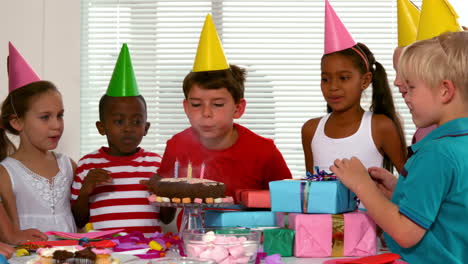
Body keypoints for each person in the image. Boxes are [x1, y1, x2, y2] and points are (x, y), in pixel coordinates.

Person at [331, 31, 468, 264]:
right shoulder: (459, 144)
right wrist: (399, 191)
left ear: (445, 90)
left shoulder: (437, 153)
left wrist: (363, 186)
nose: (404, 94)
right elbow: (448, 208)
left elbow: (406, 234)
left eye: (411, 88)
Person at [157, 14, 292, 198]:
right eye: (196, 104)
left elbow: (287, 202)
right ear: (186, 107)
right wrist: (158, 187)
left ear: (238, 109)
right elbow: (165, 207)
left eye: (218, 104)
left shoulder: (264, 152)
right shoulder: (176, 146)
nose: (206, 113)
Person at [302, 0, 407, 177]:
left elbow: (410, 183)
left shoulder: (380, 127)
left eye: (344, 78)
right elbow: (311, 188)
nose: (333, 87)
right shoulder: (310, 130)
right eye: (325, 79)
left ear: (365, 81)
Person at [71, 44, 162, 233]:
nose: (128, 128)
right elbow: (78, 221)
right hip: (104, 251)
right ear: (101, 127)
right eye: (119, 121)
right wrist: (86, 190)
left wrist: (161, 191)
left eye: (136, 121)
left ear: (146, 128)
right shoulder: (88, 164)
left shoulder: (155, 163)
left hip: (147, 251)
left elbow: (166, 217)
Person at [0, 43, 76, 233]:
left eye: (60, 115)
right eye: (45, 117)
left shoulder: (68, 166)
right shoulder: (6, 173)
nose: (56, 125)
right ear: (17, 122)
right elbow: (10, 234)